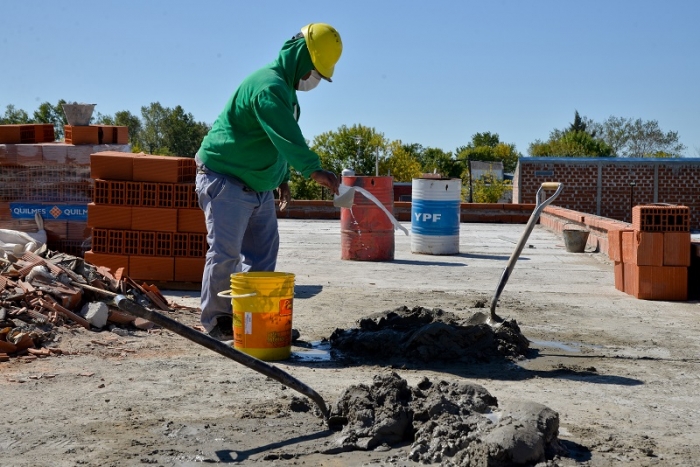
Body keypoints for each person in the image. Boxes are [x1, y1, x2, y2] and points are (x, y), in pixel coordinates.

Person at [195, 23, 342, 340]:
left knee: (262, 257)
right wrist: (314, 170)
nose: (314, 79)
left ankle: (253, 320)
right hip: (226, 178)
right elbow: (287, 136)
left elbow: (274, 140)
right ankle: (216, 322)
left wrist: (282, 177)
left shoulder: (285, 89)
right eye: (315, 70)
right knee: (225, 254)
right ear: (302, 57)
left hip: (258, 185)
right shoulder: (269, 87)